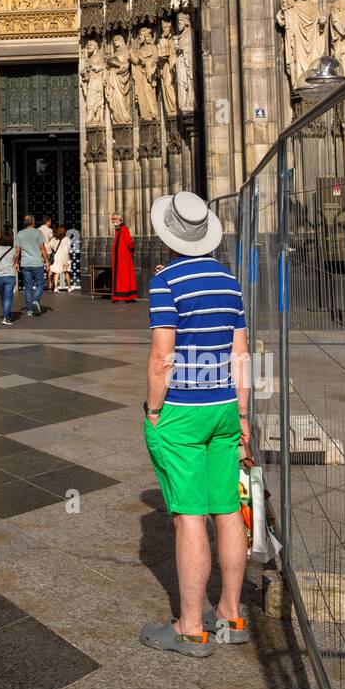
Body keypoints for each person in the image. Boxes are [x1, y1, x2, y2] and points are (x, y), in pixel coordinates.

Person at [141, 191, 251, 659]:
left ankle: (189, 627)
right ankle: (230, 613)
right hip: (226, 406)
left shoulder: (166, 283)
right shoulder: (229, 282)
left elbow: (163, 357)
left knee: (190, 515)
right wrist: (244, 414)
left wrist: (152, 409)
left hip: (183, 411)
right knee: (226, 508)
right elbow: (241, 356)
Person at [14, 214, 49, 317]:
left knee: (28, 287)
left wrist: (16, 262)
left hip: (25, 264)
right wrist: (47, 261)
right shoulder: (38, 233)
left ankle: (29, 310)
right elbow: (42, 248)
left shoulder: (20, 234)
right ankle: (36, 301)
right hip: (37, 263)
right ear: (33, 222)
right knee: (40, 284)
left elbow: (17, 250)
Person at [111, 211, 137, 302]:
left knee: (124, 277)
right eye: (112, 219)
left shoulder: (124, 228)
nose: (113, 221)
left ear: (120, 219)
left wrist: (131, 253)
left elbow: (129, 242)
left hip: (124, 258)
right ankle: (118, 296)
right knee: (119, 277)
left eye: (115, 219)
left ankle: (126, 296)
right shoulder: (117, 229)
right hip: (118, 258)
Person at [0, 228, 17, 326]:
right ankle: (6, 317)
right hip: (9, 276)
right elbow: (14, 261)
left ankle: (7, 313)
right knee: (8, 297)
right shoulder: (13, 250)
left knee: (3, 296)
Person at [50, 224, 72, 293]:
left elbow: (51, 246)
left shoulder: (54, 239)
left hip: (57, 256)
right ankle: (69, 287)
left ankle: (56, 288)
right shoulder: (67, 239)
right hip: (65, 256)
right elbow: (69, 249)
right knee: (66, 272)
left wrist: (54, 250)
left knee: (56, 272)